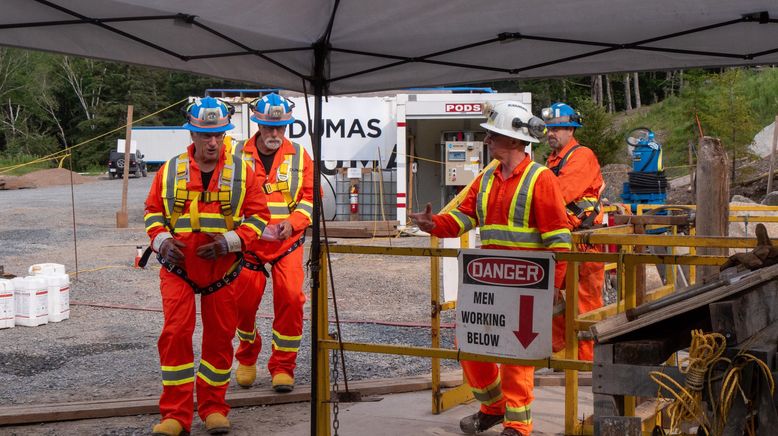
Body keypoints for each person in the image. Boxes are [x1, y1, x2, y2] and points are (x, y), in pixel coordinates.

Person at [410, 101, 572, 436]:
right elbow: (462, 219)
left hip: (526, 285)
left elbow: (558, 239)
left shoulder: (541, 180)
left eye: (492, 136)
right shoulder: (486, 179)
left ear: (513, 141)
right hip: (488, 283)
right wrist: (433, 224)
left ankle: (517, 423)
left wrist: (554, 286)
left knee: (516, 355)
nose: (486, 142)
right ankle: (493, 408)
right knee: (471, 345)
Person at [144, 97, 272, 436]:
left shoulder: (242, 173)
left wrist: (229, 243)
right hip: (178, 269)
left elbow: (260, 217)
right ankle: (175, 415)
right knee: (175, 334)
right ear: (192, 134)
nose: (212, 142)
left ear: (225, 134)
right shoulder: (169, 171)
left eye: (218, 134)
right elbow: (153, 212)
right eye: (205, 135)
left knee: (219, 338)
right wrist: (162, 242)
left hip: (223, 271)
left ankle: (214, 408)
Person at [231, 93, 314, 393]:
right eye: (269, 127)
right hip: (250, 244)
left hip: (286, 243)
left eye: (280, 127)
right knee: (241, 304)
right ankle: (247, 355)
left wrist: (291, 224)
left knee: (291, 301)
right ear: (258, 125)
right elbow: (229, 198)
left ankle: (283, 366)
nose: (275, 134)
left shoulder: (300, 155)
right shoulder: (237, 153)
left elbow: (309, 199)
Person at [542, 102, 605, 361]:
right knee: (553, 296)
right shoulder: (553, 159)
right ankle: (562, 353)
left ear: (571, 129)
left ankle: (587, 363)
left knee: (586, 304)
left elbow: (560, 193)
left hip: (583, 242)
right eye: (548, 128)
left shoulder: (581, 156)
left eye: (556, 128)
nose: (550, 133)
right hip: (563, 237)